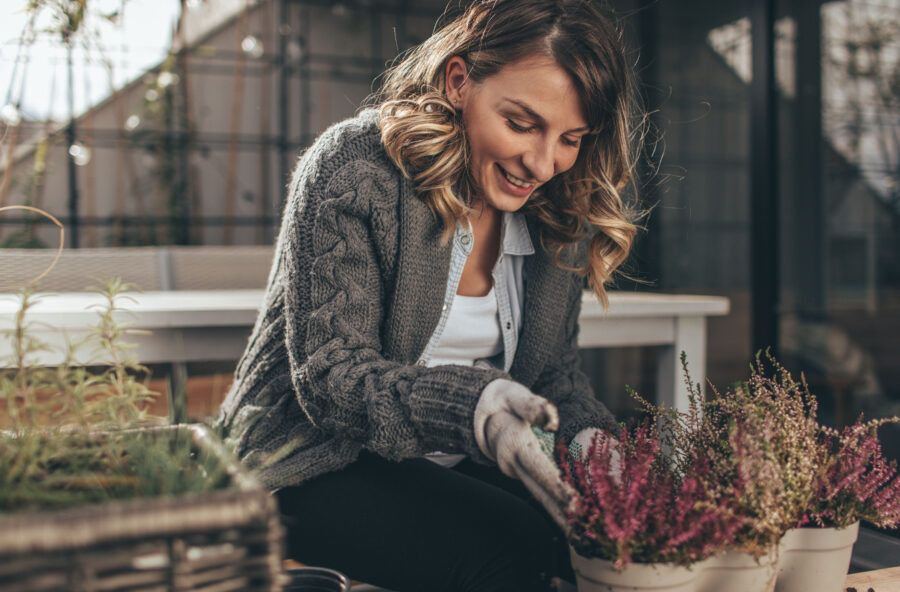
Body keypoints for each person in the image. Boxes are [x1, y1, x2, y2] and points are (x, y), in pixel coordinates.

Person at [217, 1, 639, 590]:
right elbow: (332, 378)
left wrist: (588, 443)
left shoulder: (557, 209)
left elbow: (554, 380)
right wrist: (475, 410)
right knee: (506, 552)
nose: (543, 163)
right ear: (459, 81)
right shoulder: (355, 169)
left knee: (587, 538)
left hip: (449, 456)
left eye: (570, 138)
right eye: (522, 124)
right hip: (305, 459)